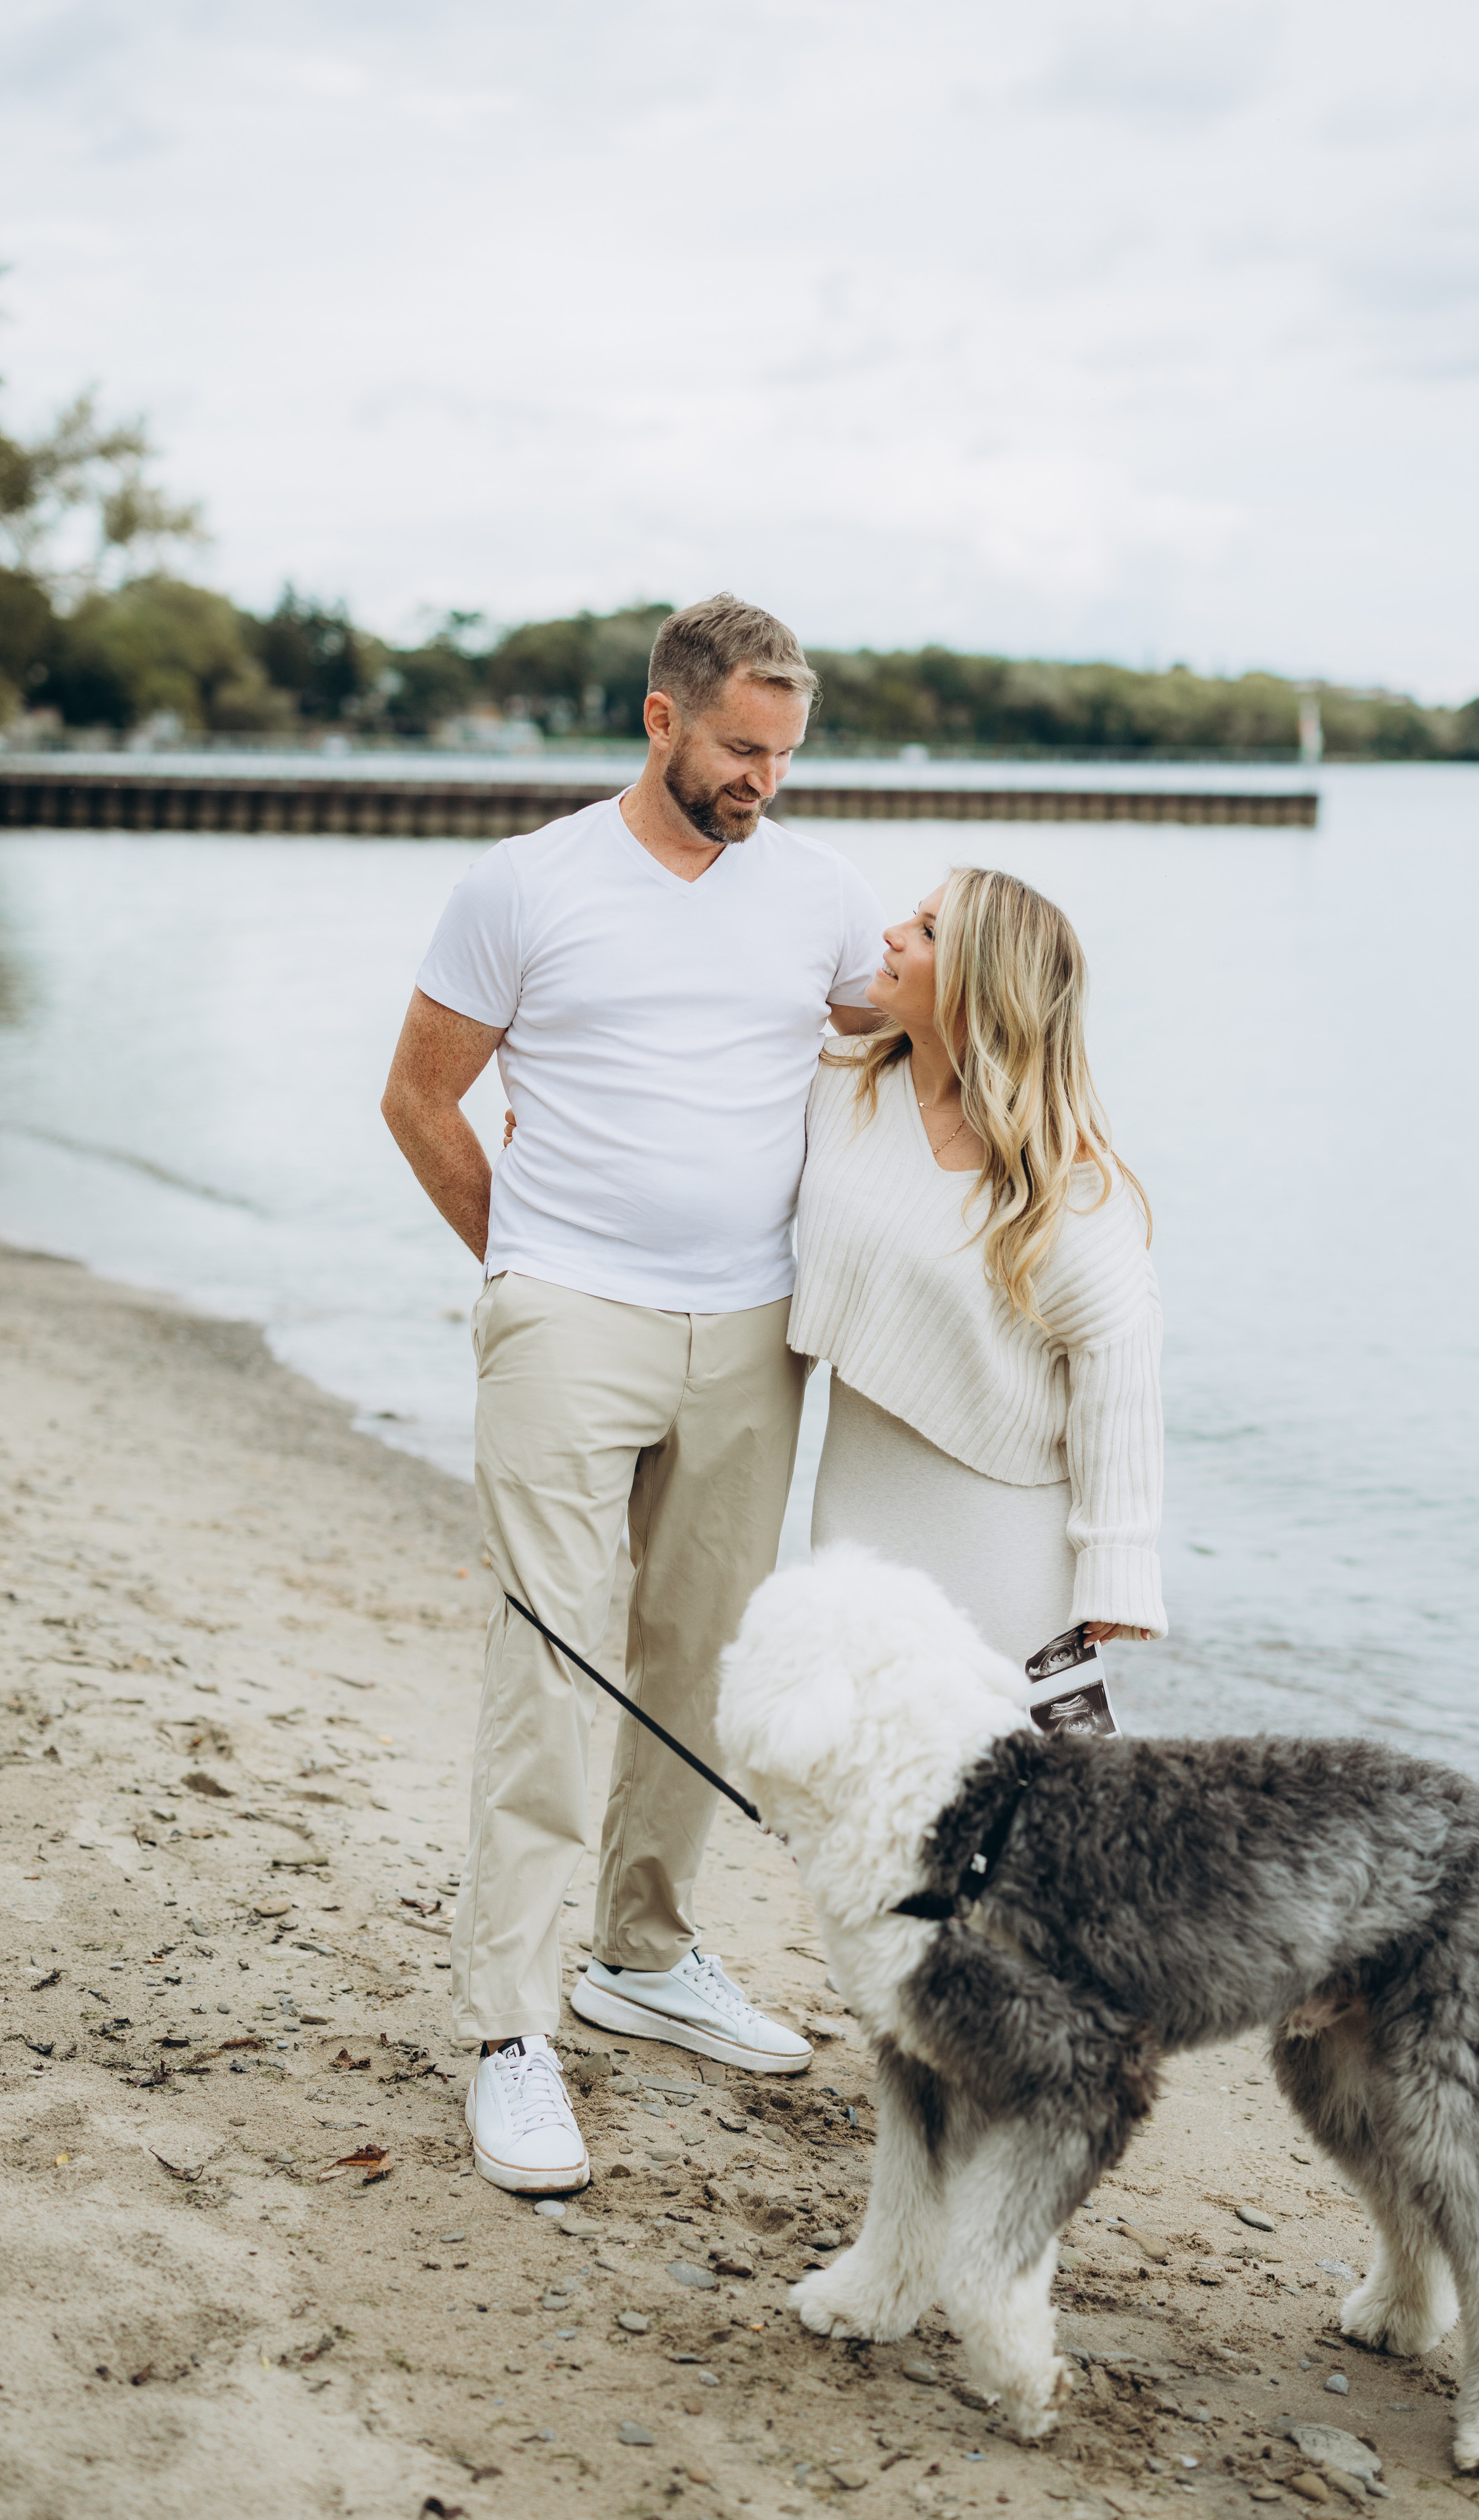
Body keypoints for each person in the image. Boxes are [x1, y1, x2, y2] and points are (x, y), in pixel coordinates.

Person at [381, 594, 883, 2195]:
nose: (764, 780)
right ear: (660, 719)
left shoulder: (813, 891)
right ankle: (512, 2026)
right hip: (567, 1321)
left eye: (785, 753)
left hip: (751, 1331)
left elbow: (922, 1026)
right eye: (741, 747)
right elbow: (419, 1093)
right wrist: (523, 1268)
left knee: (700, 1653)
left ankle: (645, 1953)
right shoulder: (525, 884)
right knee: (551, 1650)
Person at [790, 866, 1167, 1671]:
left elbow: (1118, 1375)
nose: (892, 933)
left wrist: (1116, 1569)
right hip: (856, 1494)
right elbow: (703, 1122)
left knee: (1020, 1782)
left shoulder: (1068, 1185)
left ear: (980, 982)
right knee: (851, 1757)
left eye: (928, 931)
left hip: (1005, 1528)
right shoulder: (838, 1083)